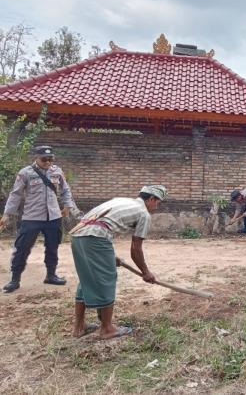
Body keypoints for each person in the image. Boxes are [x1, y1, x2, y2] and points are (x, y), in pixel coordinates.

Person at [69, 185, 166, 339]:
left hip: (78, 234)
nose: (156, 207)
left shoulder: (122, 201)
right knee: (107, 278)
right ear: (151, 199)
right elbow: (136, 249)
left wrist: (109, 257)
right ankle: (107, 329)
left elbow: (103, 223)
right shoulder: (143, 214)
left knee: (87, 279)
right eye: (158, 202)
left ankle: (79, 327)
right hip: (96, 237)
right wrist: (146, 272)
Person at [1, 145, 75, 293]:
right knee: (22, 248)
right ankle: (15, 279)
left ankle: (51, 275)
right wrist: (7, 214)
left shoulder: (57, 171)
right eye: (44, 159)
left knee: (52, 247)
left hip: (53, 217)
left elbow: (65, 190)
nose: (48, 162)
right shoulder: (25, 173)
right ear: (36, 158)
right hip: (32, 217)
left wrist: (67, 206)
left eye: (50, 159)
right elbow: (15, 195)